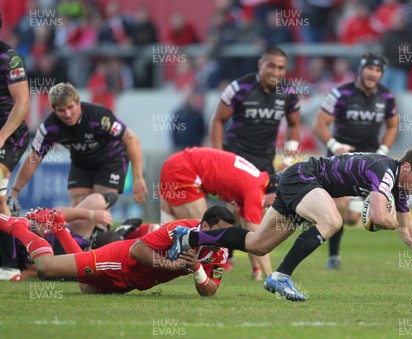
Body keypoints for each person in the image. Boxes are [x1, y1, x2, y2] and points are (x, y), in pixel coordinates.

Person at [168, 146, 412, 301]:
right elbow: (383, 218)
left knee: (257, 245)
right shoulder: (385, 171)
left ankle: (190, 238)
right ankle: (281, 277)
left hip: (303, 182)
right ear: (406, 167)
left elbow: (405, 227)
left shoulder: (399, 188)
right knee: (332, 219)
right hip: (305, 177)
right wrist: (385, 218)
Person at [0, 205, 234, 296]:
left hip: (132, 282)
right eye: (219, 232)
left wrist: (196, 269)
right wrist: (169, 265)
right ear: (204, 227)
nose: (223, 239)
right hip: (120, 261)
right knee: (46, 268)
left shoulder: (219, 251)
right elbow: (137, 249)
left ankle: (59, 227)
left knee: (86, 287)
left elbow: (211, 290)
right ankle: (15, 225)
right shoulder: (179, 230)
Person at [312, 52, 398, 269]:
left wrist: (383, 150)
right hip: (341, 159)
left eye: (378, 70)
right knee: (340, 207)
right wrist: (335, 147)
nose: (373, 73)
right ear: (361, 70)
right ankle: (333, 256)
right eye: (370, 68)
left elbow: (392, 125)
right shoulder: (341, 94)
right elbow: (319, 124)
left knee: (351, 218)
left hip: (368, 162)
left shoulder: (387, 98)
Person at [9, 82, 148, 209]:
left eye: (70, 107)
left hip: (110, 160)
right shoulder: (49, 127)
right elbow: (33, 159)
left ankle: (106, 234)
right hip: (81, 163)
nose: (68, 114)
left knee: (98, 205)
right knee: (78, 211)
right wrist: (14, 192)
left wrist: (138, 177)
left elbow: (131, 139)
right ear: (54, 110)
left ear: (78, 103)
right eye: (61, 110)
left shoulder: (99, 116)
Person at [159, 147, 279, 280]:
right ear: (274, 192)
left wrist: (256, 270)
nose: (271, 206)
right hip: (184, 169)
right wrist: (270, 275)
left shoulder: (257, 179)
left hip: (178, 164)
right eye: (277, 199)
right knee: (203, 231)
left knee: (165, 231)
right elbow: (257, 239)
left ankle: (142, 251)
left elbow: (248, 233)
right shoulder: (255, 191)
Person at [210, 46, 301, 175]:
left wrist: (288, 159)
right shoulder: (239, 87)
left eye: (281, 68)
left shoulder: (288, 91)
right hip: (235, 156)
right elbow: (218, 120)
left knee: (269, 195)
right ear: (260, 64)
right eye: (271, 66)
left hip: (265, 161)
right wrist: (219, 157)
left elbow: (294, 124)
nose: (276, 72)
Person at [0, 12, 32, 277]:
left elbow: (22, 103)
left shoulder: (9, 58)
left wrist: (1, 135)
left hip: (11, 133)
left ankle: (10, 266)